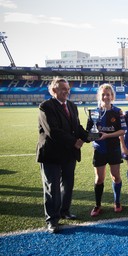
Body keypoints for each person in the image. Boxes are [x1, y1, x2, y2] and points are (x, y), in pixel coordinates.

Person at [36, 77, 88, 233]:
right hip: (51, 154)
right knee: (52, 188)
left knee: (67, 184)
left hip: (68, 154)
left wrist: (90, 135)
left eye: (67, 89)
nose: (66, 91)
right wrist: (74, 142)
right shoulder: (46, 106)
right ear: (53, 91)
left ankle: (64, 211)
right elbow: (53, 131)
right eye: (62, 89)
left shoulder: (72, 106)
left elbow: (76, 127)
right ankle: (52, 219)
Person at [88, 83, 127, 217]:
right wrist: (93, 135)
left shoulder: (118, 111)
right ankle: (97, 205)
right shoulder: (93, 112)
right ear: (100, 96)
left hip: (113, 149)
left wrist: (107, 135)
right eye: (103, 94)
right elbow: (89, 132)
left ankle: (117, 202)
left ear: (112, 96)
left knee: (116, 176)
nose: (106, 97)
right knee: (99, 178)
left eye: (108, 94)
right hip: (99, 150)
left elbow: (123, 130)